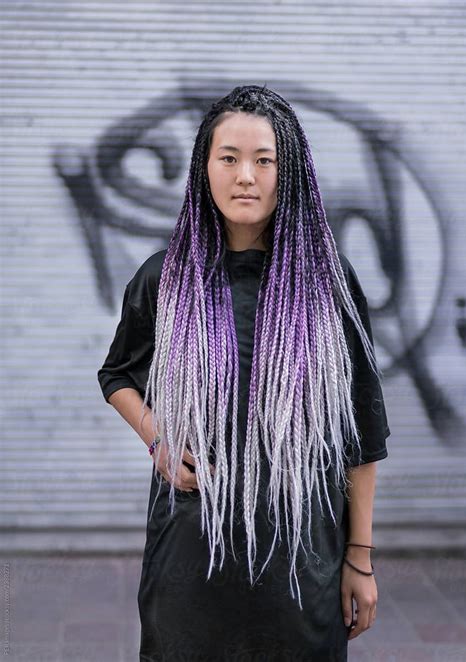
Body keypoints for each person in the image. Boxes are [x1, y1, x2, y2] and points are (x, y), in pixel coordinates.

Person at [97, 84, 391, 662]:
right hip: (189, 560)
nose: (246, 176)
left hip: (301, 564)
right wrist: (156, 436)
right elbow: (117, 375)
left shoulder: (328, 286)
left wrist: (359, 556)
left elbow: (364, 430)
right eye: (228, 158)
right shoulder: (165, 280)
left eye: (264, 160)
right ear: (203, 168)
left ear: (291, 173)